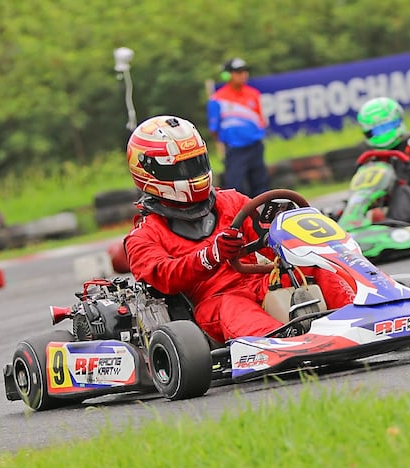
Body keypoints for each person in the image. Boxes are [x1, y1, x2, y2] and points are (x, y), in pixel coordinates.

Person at [123, 115, 355, 345]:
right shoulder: (144, 235)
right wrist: (211, 255)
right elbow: (165, 277)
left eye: (196, 163)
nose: (192, 174)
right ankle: (284, 341)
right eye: (182, 168)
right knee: (233, 306)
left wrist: (295, 242)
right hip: (215, 302)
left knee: (319, 269)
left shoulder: (231, 202)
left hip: (261, 283)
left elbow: (270, 243)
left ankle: (363, 312)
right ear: (149, 172)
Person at [207, 57, 270, 197]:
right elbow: (214, 129)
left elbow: (261, 120)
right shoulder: (217, 100)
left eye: (244, 71)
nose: (243, 75)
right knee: (236, 188)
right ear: (227, 75)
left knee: (261, 186)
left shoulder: (253, 94)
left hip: (255, 147)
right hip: (235, 150)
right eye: (238, 72)